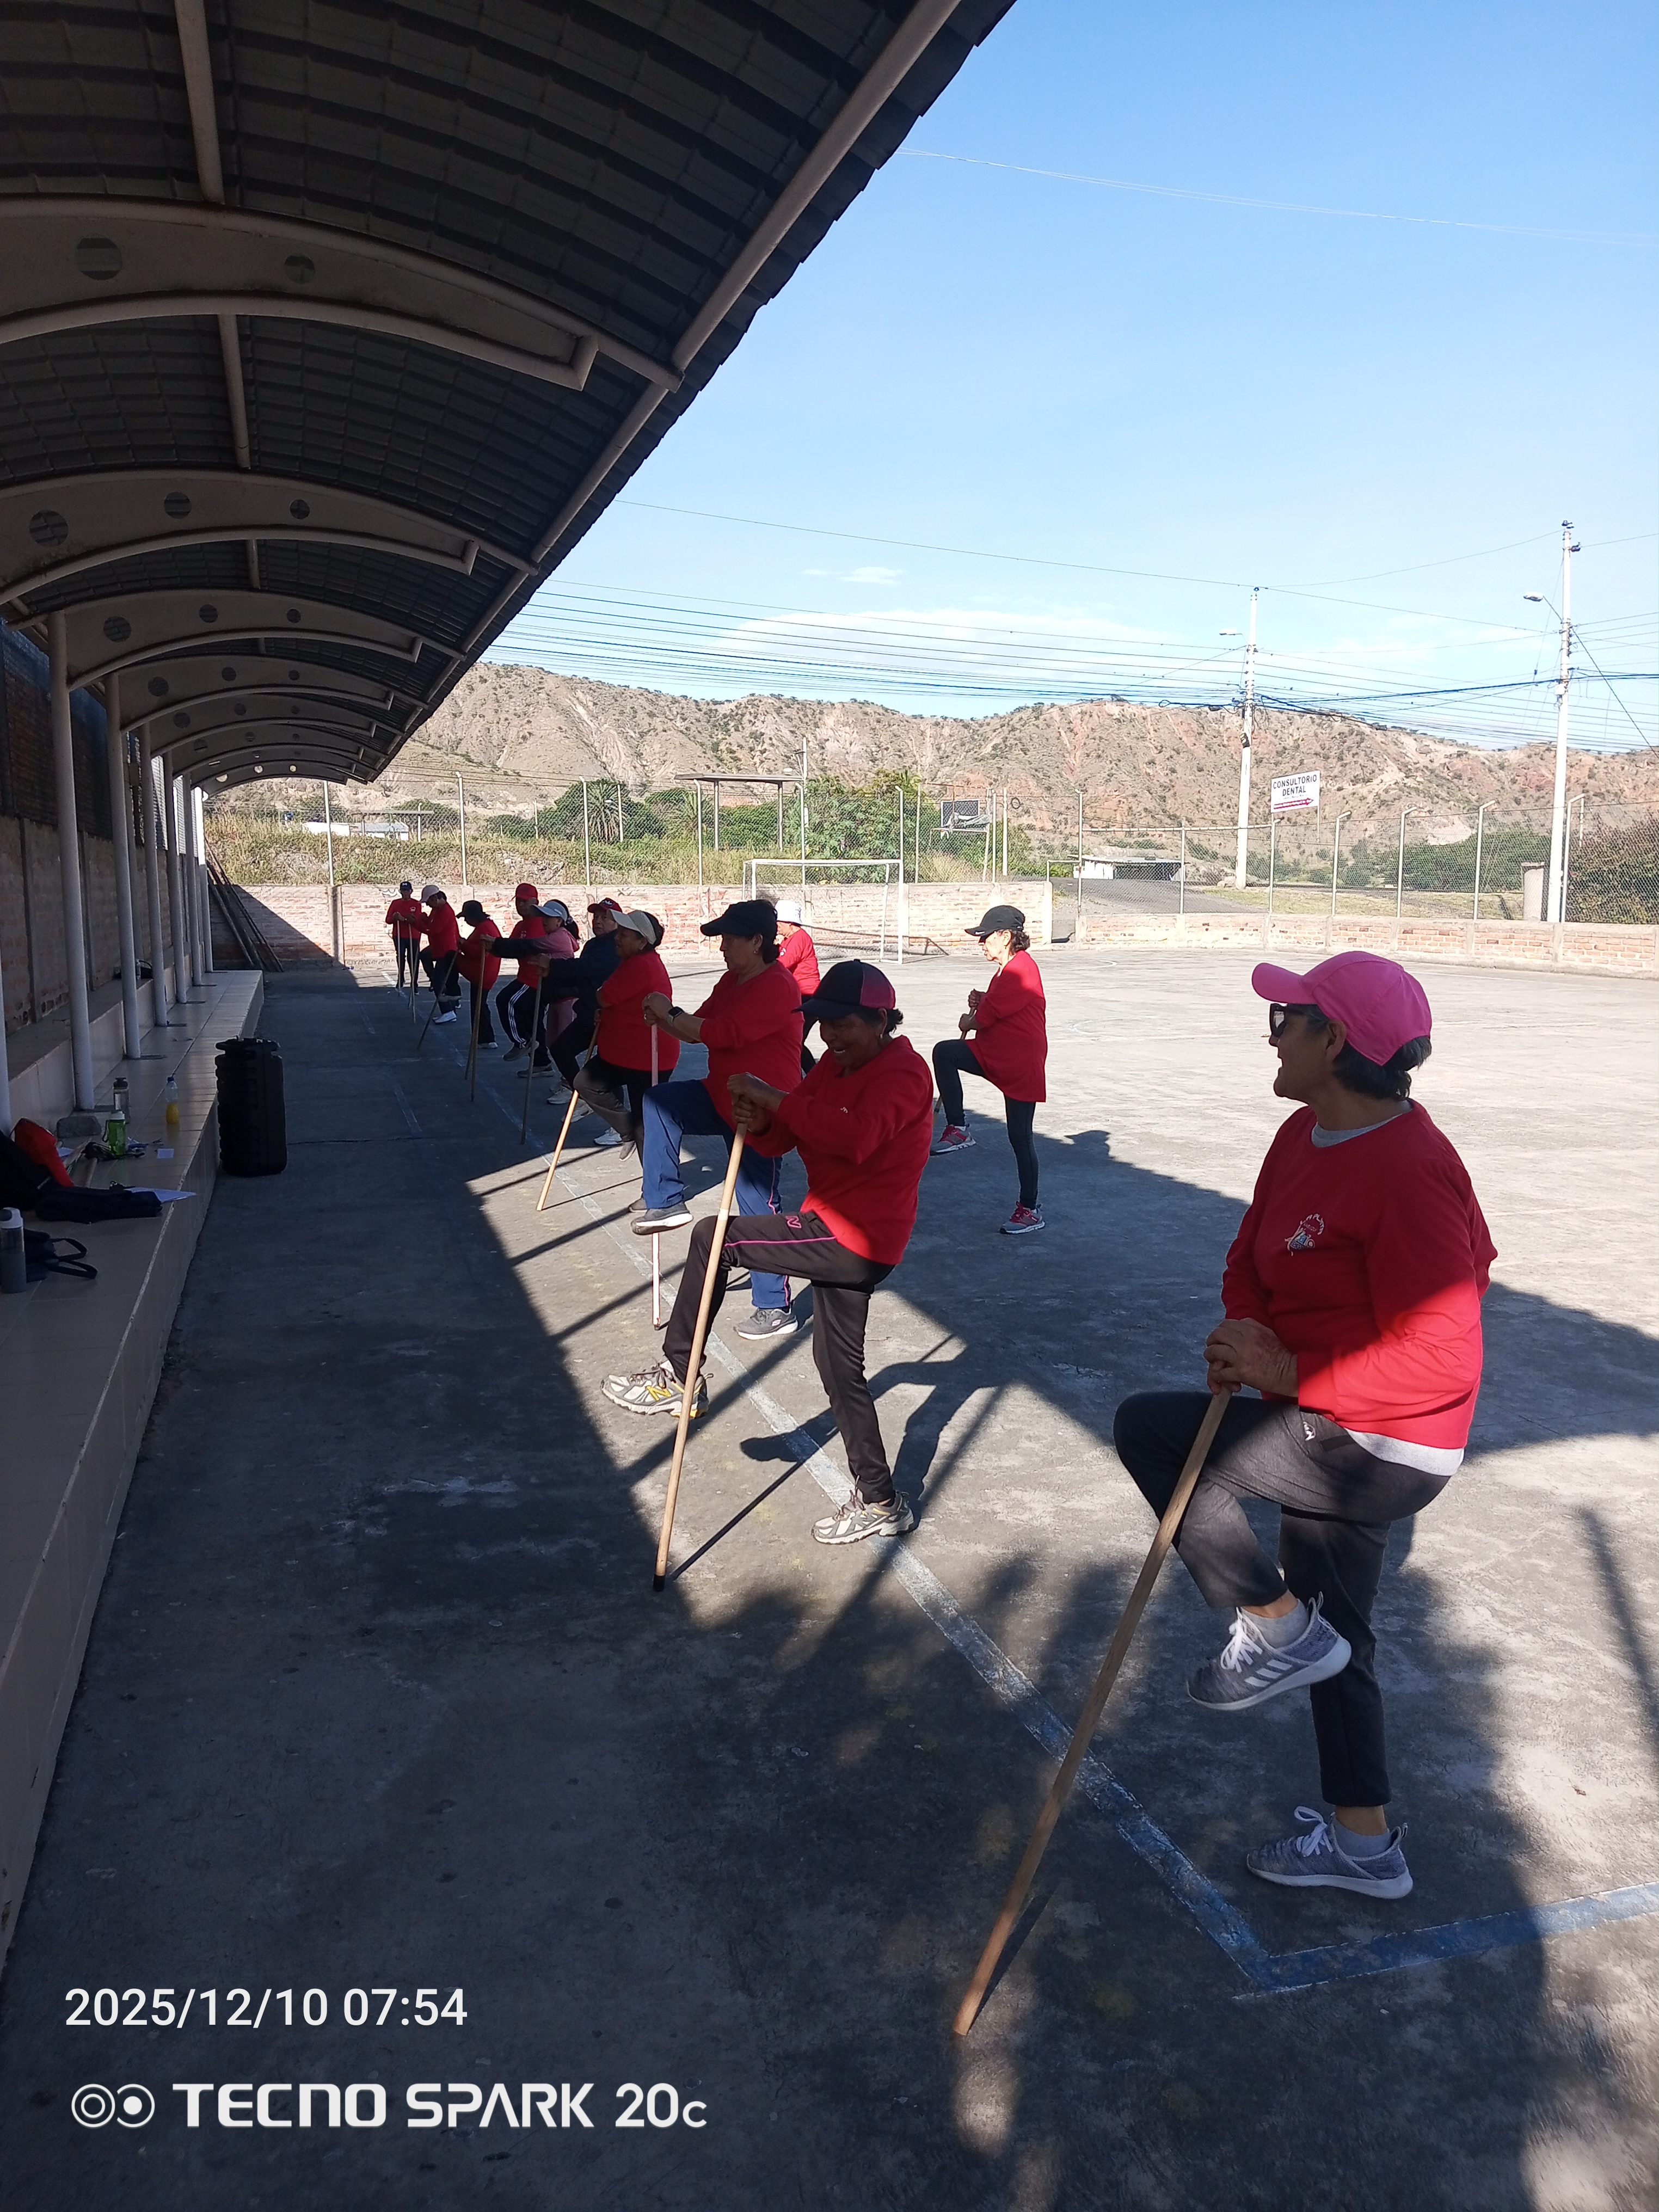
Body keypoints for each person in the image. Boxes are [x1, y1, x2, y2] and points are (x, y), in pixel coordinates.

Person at [1111, 950, 1495, 1902]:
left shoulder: (1411, 1168)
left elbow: (1444, 1356)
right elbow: (1251, 1254)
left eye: (1286, 1018)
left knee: (1152, 1432)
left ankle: (1271, 1624)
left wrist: (1287, 1370)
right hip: (1322, 1412)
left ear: (1335, 1040)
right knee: (1338, 1634)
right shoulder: (1300, 1132)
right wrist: (1245, 1329)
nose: (1270, 1033)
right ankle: (1365, 1845)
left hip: (1386, 1444)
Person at [603, 960, 935, 1545]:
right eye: (823, 1025)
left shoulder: (906, 1072)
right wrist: (758, 1120)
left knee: (715, 1237)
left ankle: (679, 1373)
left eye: (844, 1025)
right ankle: (881, 1499)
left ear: (881, 1021)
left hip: (856, 1235)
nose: (830, 1037)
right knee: (839, 1368)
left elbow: (856, 1137)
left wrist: (774, 1097)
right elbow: (787, 1134)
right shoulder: (832, 1065)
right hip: (832, 1224)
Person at [631, 899, 803, 1340]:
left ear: (757, 941)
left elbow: (723, 1034)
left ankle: (775, 1306)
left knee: (756, 1203)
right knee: (660, 1102)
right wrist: (663, 1018)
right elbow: (698, 1027)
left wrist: (670, 1012)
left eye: (729, 939)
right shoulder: (733, 979)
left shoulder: (777, 986)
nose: (722, 947)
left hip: (761, 1108)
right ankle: (665, 1200)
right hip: (721, 1094)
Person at [930, 902, 1048, 1234]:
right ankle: (958, 1126)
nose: (981, 943)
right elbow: (1000, 1004)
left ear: (1006, 937)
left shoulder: (1020, 970)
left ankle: (1030, 1209)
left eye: (986, 937)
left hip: (1019, 1063)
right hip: (996, 1052)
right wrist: (983, 998)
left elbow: (986, 1018)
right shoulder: (1006, 970)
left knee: (1020, 1137)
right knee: (946, 1053)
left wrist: (971, 1018)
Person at [577, 910, 679, 1144]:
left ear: (642, 942)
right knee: (586, 1083)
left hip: (646, 1058)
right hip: (623, 1055)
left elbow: (604, 996)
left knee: (646, 1128)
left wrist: (604, 1001)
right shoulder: (632, 961)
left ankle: (648, 1157)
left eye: (624, 934)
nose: (617, 938)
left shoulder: (641, 965)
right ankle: (627, 1128)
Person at [496, 883, 548, 1059]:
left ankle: (522, 1042)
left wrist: (498, 946)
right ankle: (541, 1062)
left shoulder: (539, 922)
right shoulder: (521, 925)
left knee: (506, 1001)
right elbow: (510, 947)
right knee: (532, 1021)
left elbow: (525, 948)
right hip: (525, 976)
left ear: (535, 902)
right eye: (518, 901)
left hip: (534, 979)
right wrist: (494, 946)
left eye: (525, 901)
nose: (521, 905)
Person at [775, 897, 820, 1075]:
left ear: (790, 923)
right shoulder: (788, 940)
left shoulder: (799, 939)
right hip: (799, 996)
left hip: (808, 996)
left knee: (795, 1042)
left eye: (780, 922)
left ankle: (813, 1077)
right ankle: (811, 1077)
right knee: (794, 1041)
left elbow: (783, 964)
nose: (777, 926)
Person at [456, 899, 503, 1046]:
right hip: (485, 970)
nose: (466, 921)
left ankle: (451, 990)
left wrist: (463, 944)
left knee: (450, 957)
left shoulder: (484, 928)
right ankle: (484, 1038)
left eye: (466, 918)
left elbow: (480, 953)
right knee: (479, 1004)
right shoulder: (487, 925)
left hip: (482, 970)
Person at [418, 884, 460, 1022]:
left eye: (428, 902)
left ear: (435, 898)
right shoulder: (436, 909)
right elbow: (430, 924)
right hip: (438, 948)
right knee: (425, 956)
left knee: (439, 982)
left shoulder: (445, 912)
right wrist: (423, 919)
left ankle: (448, 1011)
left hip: (446, 951)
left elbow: (433, 930)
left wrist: (416, 923)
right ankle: (450, 1000)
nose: (427, 905)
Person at [384, 880, 423, 988]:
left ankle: (414, 982)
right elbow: (388, 920)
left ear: (411, 891)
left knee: (413, 958)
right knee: (401, 956)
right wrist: (395, 918)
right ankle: (401, 978)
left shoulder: (416, 904)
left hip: (413, 935)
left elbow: (417, 919)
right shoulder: (395, 903)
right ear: (400, 891)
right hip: (399, 935)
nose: (405, 892)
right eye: (403, 890)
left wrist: (404, 919)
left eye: (407, 890)